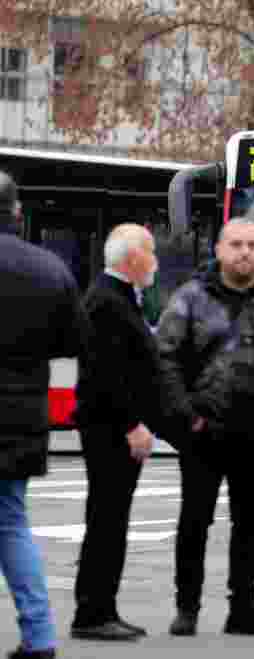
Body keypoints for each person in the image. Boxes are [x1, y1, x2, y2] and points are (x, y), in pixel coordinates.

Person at [156, 218, 254, 636]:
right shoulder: (190, 299)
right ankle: (187, 607)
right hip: (204, 430)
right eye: (236, 244)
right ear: (219, 250)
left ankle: (243, 607)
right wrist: (186, 415)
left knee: (250, 522)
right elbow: (164, 359)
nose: (245, 252)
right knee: (194, 520)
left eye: (253, 245)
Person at [0, 172, 84, 659]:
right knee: (11, 523)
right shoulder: (48, 269)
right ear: (16, 213)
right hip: (22, 417)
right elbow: (74, 340)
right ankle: (39, 637)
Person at [71, 224, 162, 641]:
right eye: (151, 252)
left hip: (111, 428)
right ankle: (92, 612)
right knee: (107, 520)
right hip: (111, 431)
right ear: (132, 258)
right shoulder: (108, 301)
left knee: (110, 519)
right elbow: (106, 375)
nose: (156, 261)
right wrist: (133, 425)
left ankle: (102, 607)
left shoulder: (116, 297)